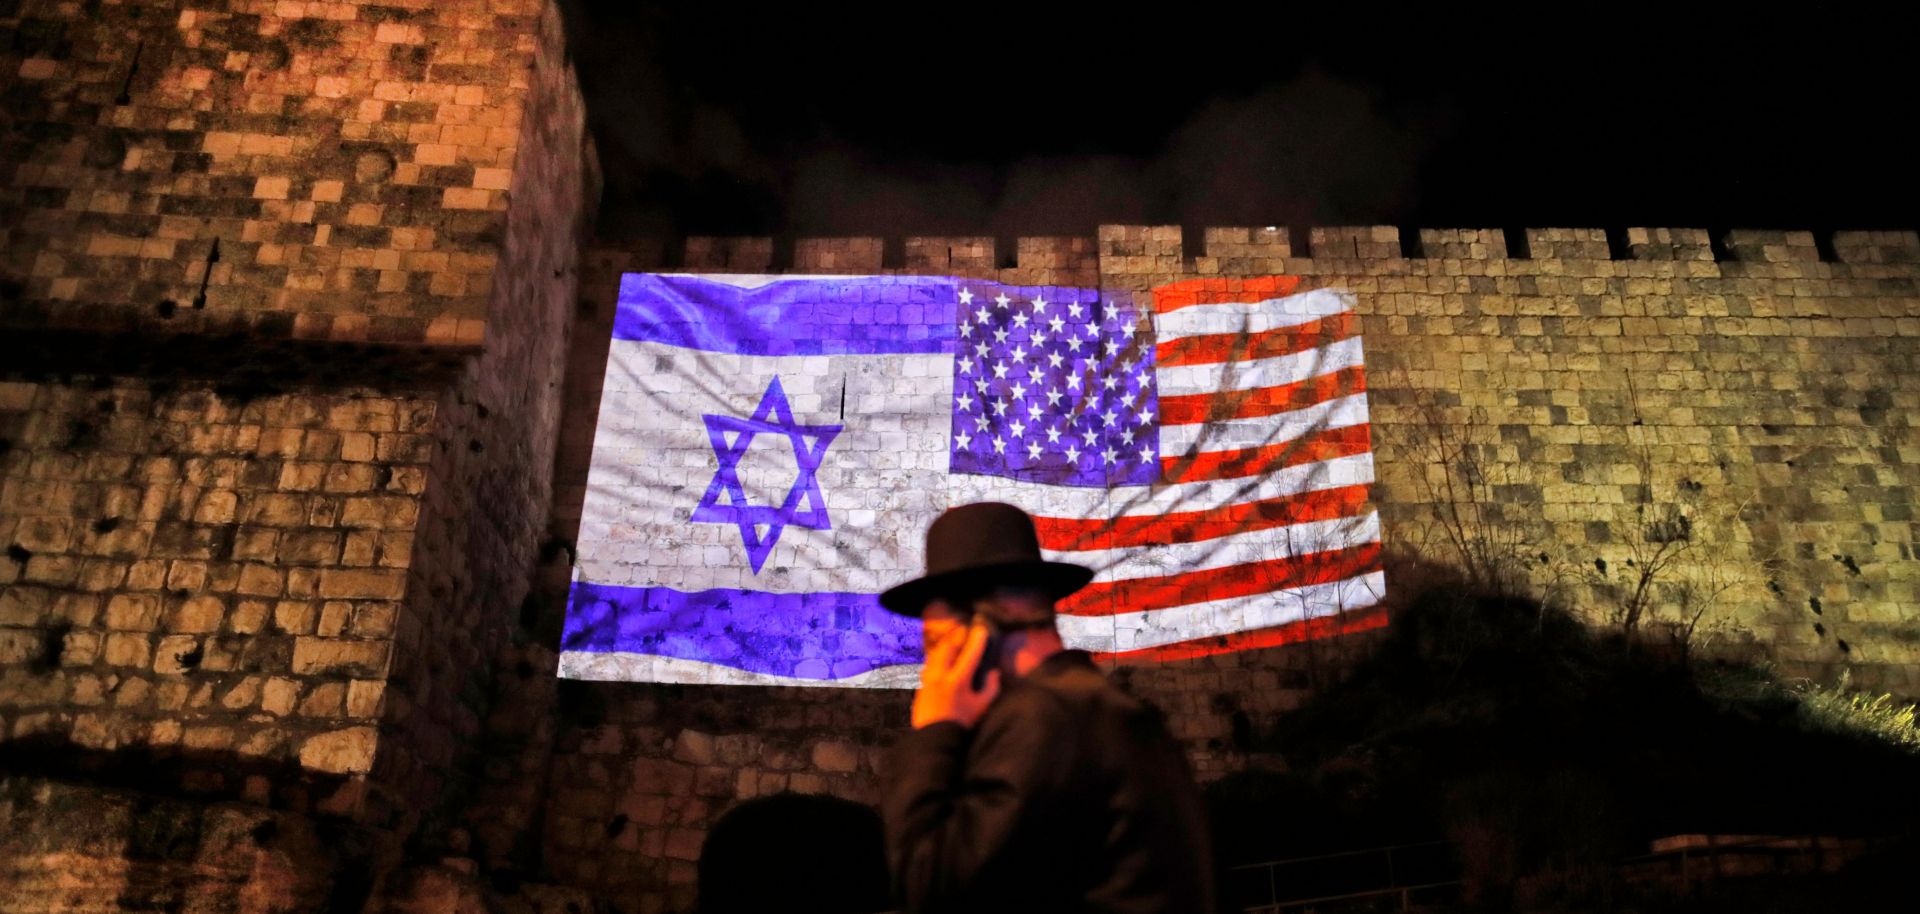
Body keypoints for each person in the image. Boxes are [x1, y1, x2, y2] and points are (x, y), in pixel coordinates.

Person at [877, 501, 1214, 914]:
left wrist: (935, 726)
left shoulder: (1041, 719)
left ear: (977, 634)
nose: (931, 669)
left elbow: (930, 885)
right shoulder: (1101, 709)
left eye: (936, 644)